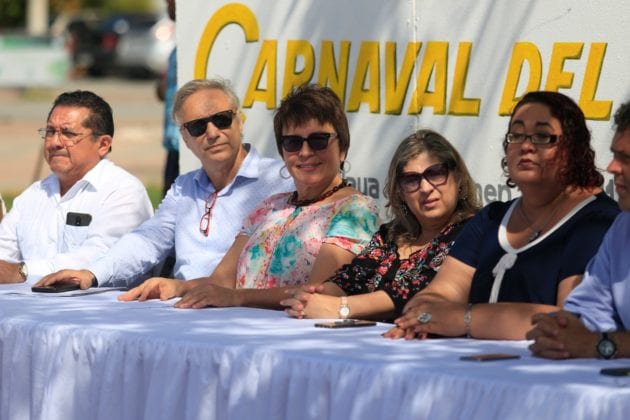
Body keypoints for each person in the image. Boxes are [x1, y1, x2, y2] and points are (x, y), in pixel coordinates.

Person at [118, 83, 380, 310]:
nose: (305, 152)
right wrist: (177, 286)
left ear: (342, 148)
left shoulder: (355, 210)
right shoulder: (271, 206)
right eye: (293, 143)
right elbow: (221, 282)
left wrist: (238, 297)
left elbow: (318, 294)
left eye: (318, 140)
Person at [384, 91, 619, 340]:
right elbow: (439, 293)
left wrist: (465, 319)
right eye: (516, 135)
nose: (526, 146)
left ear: (573, 148)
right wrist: (419, 316)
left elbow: (569, 322)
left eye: (542, 136)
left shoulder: (596, 222)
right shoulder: (492, 219)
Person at [34, 78, 294, 289]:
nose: (213, 133)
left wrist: (186, 289)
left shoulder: (281, 180)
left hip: (247, 311)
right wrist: (92, 273)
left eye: (222, 119)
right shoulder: (184, 187)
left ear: (240, 121)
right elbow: (148, 240)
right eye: (198, 127)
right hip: (184, 310)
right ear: (185, 137)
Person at [280, 129, 480, 321]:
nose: (426, 188)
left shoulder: (475, 230)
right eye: (411, 179)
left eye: (435, 173)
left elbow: (422, 291)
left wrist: (341, 307)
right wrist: (314, 296)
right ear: (400, 192)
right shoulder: (391, 234)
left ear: (458, 177)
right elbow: (350, 279)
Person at [0, 90, 153, 284]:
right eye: (50, 132)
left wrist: (23, 272)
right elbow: (4, 255)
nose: (55, 142)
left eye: (68, 134)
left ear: (103, 144)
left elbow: (102, 258)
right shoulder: (33, 195)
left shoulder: (124, 192)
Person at [527, 100, 630, 359]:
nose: (612, 167)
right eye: (615, 155)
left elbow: (594, 339)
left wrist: (601, 345)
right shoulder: (622, 228)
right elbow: (590, 308)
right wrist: (560, 329)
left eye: (626, 159)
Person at [156, 0, 179, 197]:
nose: (166, 3)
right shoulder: (176, 51)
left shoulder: (196, 46)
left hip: (193, 144)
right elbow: (162, 90)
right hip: (174, 143)